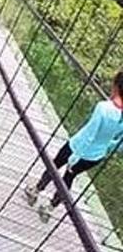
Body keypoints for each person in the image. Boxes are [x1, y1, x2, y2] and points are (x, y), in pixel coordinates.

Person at [26, 70, 123, 211]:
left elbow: (90, 134)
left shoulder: (104, 108)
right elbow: (120, 144)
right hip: (95, 157)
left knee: (55, 165)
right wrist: (107, 145)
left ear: (116, 86)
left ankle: (36, 191)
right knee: (69, 177)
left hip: (76, 147)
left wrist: (75, 157)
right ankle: (50, 207)